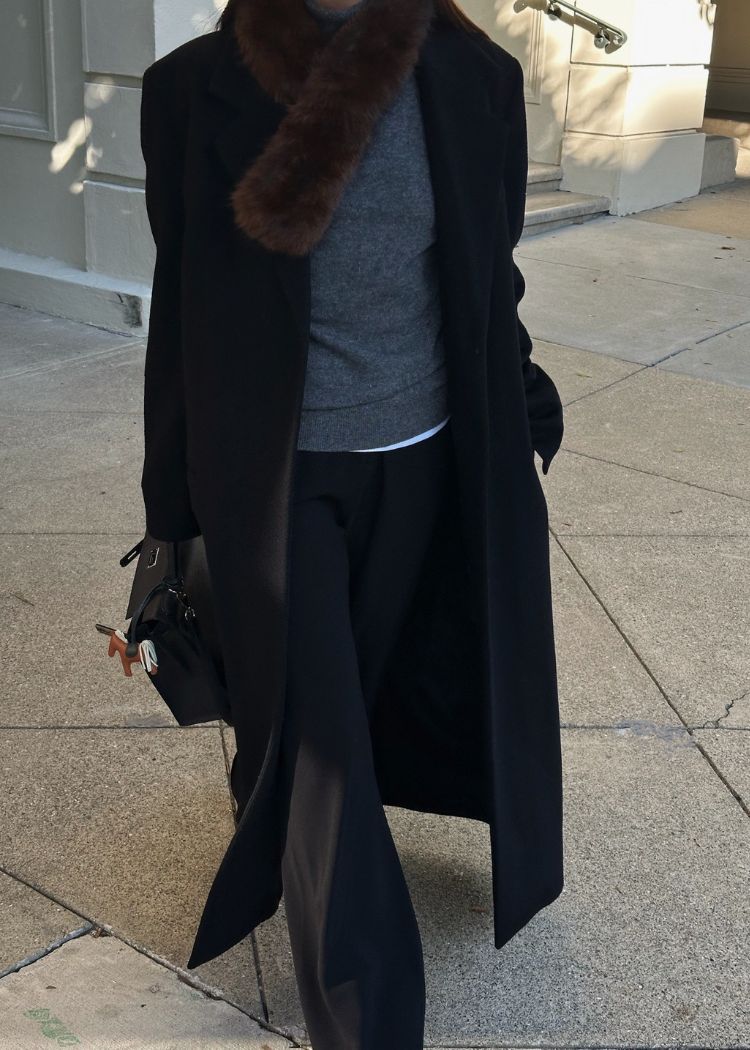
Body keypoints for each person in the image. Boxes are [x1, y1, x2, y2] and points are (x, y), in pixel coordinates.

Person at [138, 0, 566, 1047]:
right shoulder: (192, 88)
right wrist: (169, 510)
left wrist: (522, 401)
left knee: (349, 696)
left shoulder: (473, 79)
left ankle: (274, 799)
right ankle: (369, 1020)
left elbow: (489, 273)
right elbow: (183, 310)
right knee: (322, 743)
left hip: (425, 463)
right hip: (273, 481)